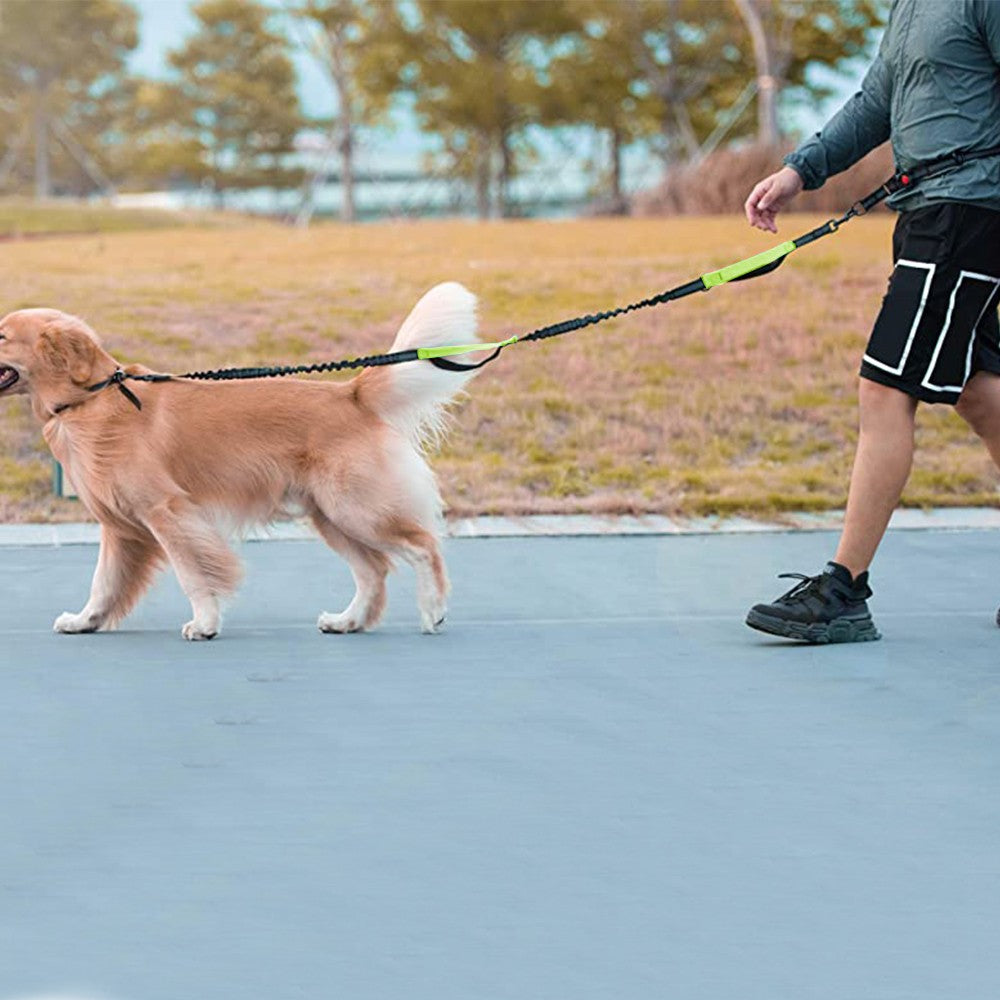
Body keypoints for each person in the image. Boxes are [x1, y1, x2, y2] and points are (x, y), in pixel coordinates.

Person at [742, 0, 1000, 643]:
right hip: (925, 211)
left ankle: (843, 590)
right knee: (977, 391)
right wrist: (800, 170)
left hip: (967, 214)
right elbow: (876, 101)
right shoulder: (911, 7)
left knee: (885, 387)